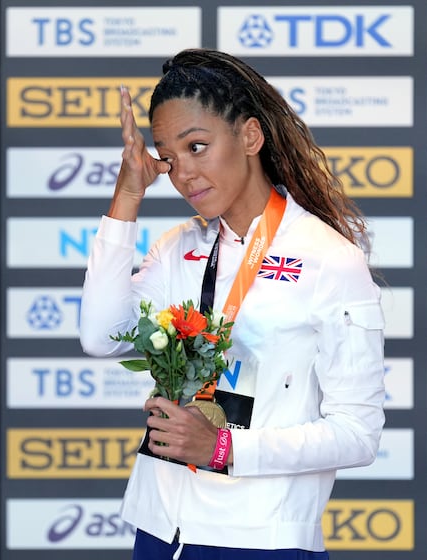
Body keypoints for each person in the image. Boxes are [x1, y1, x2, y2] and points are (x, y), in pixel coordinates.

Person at [79, 48, 386, 560]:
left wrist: (224, 449)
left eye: (198, 147)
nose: (184, 174)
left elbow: (357, 434)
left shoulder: (330, 260)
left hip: (258, 539)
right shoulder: (179, 247)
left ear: (250, 136)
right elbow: (100, 336)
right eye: (170, 158)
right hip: (160, 532)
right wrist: (126, 198)